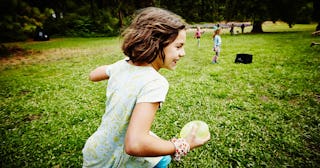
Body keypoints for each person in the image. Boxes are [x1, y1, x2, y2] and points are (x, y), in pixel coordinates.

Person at [82, 7, 210, 168]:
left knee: (162, 159)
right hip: (113, 160)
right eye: (178, 46)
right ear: (156, 43)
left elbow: (93, 75)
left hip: (95, 150)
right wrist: (182, 145)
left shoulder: (121, 65)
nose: (183, 53)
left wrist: (115, 70)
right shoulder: (155, 83)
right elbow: (135, 144)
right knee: (162, 159)